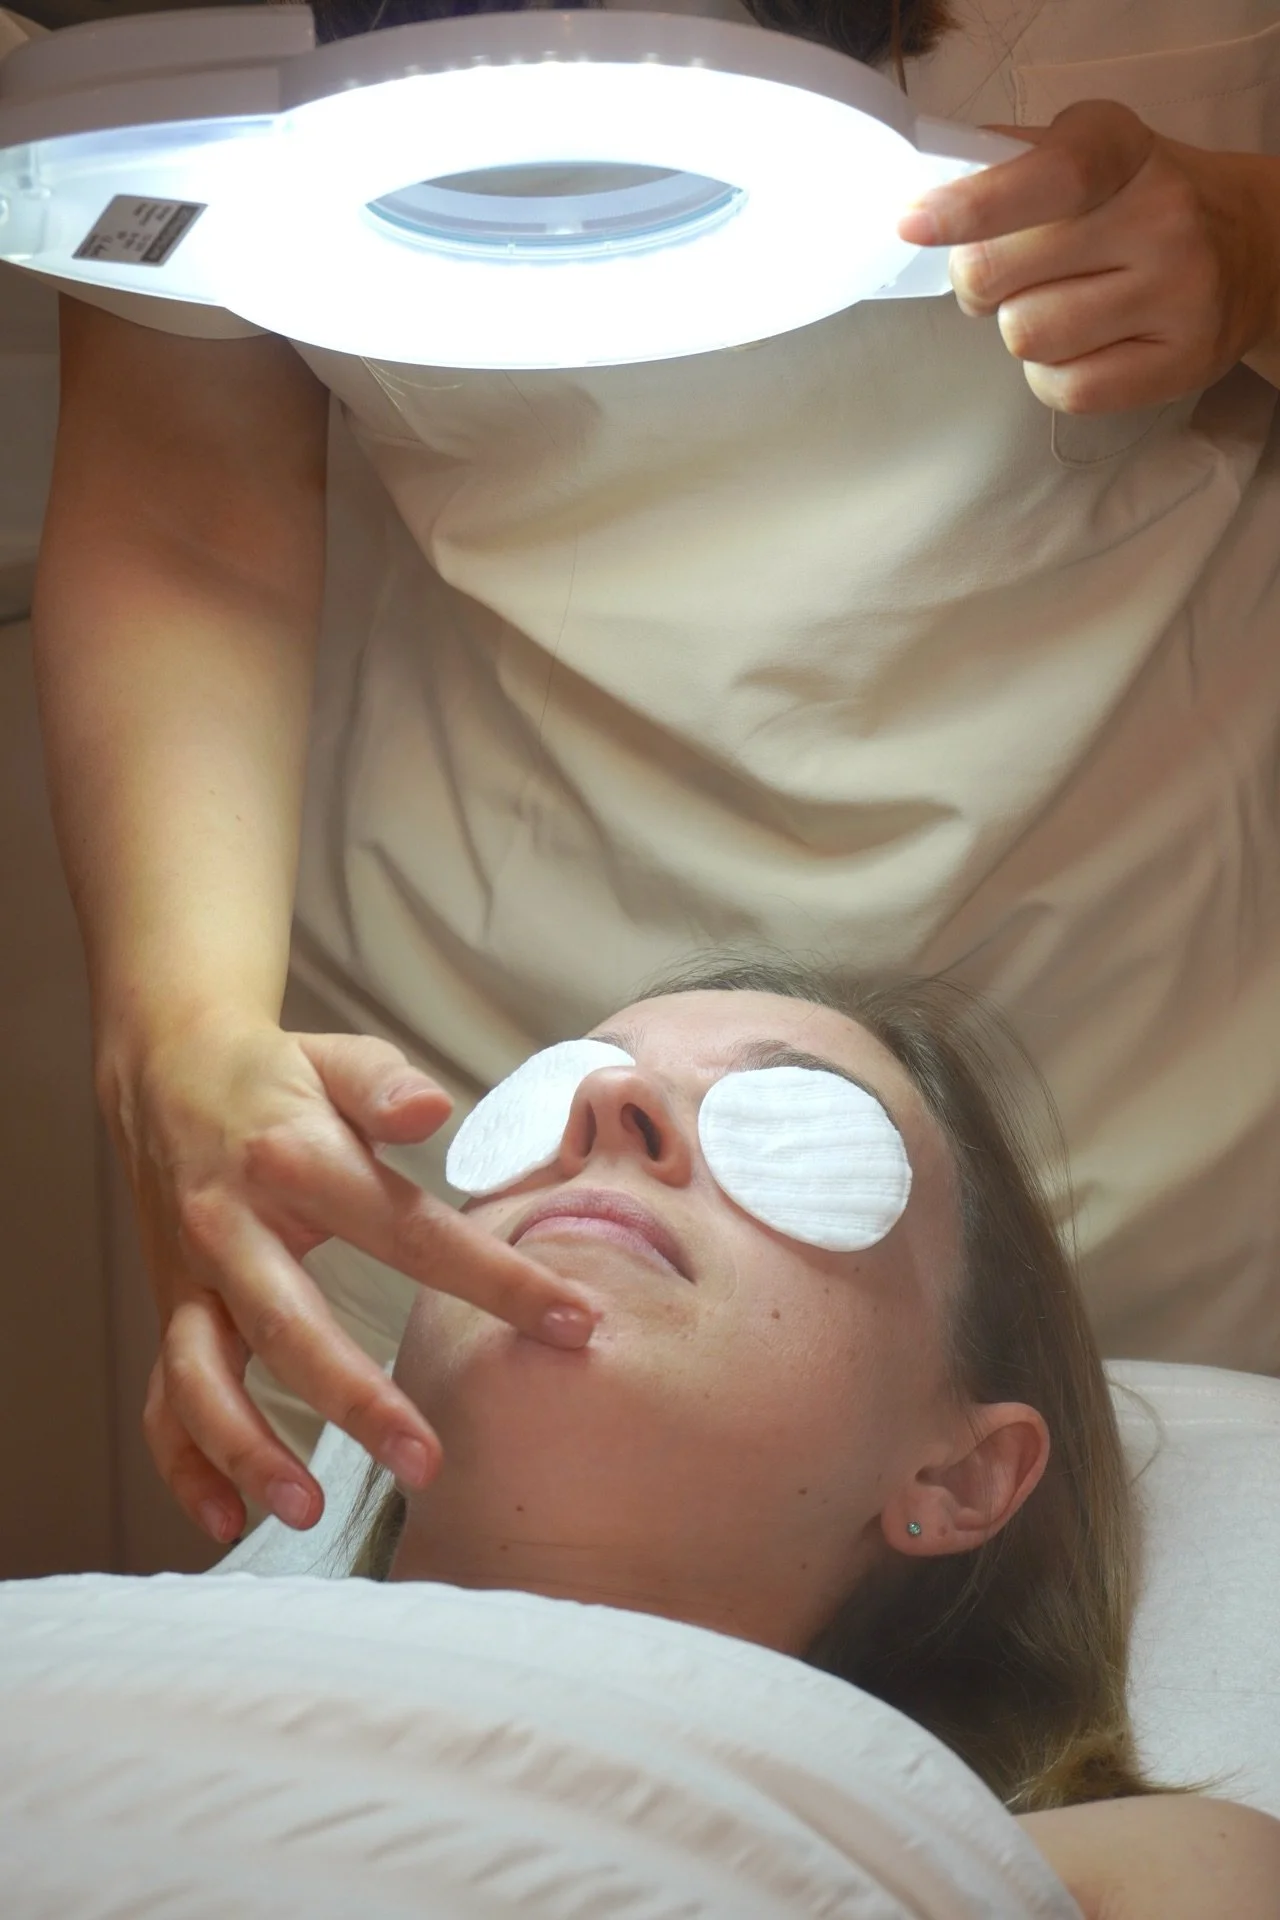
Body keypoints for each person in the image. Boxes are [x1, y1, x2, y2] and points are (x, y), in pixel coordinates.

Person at [17, 0, 1280, 1551]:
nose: (650, 1110)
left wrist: (1262, 247)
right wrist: (179, 1036)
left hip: (1127, 1065)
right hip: (471, 1094)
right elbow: (184, 504)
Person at [330, 959, 1280, 1917]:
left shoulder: (1113, 1877)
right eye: (548, 1094)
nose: (612, 1101)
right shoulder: (173, 1668)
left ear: (958, 1476)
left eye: (796, 1134)